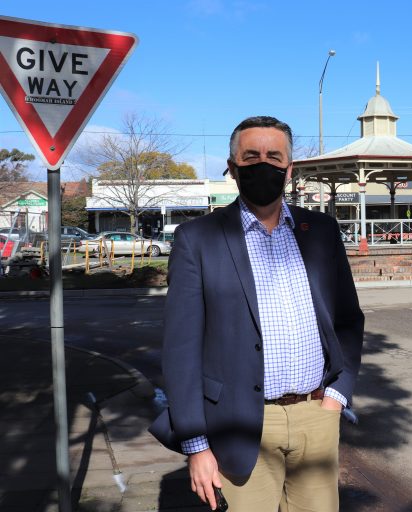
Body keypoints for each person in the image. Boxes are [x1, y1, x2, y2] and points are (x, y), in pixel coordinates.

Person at [150, 116, 365, 511]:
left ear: (289, 169)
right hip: (238, 425)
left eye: (273, 156)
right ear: (232, 169)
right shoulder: (198, 239)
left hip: (315, 415)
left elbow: (348, 319)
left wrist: (337, 394)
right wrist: (196, 446)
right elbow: (181, 351)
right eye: (251, 157)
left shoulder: (320, 230)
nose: (262, 164)